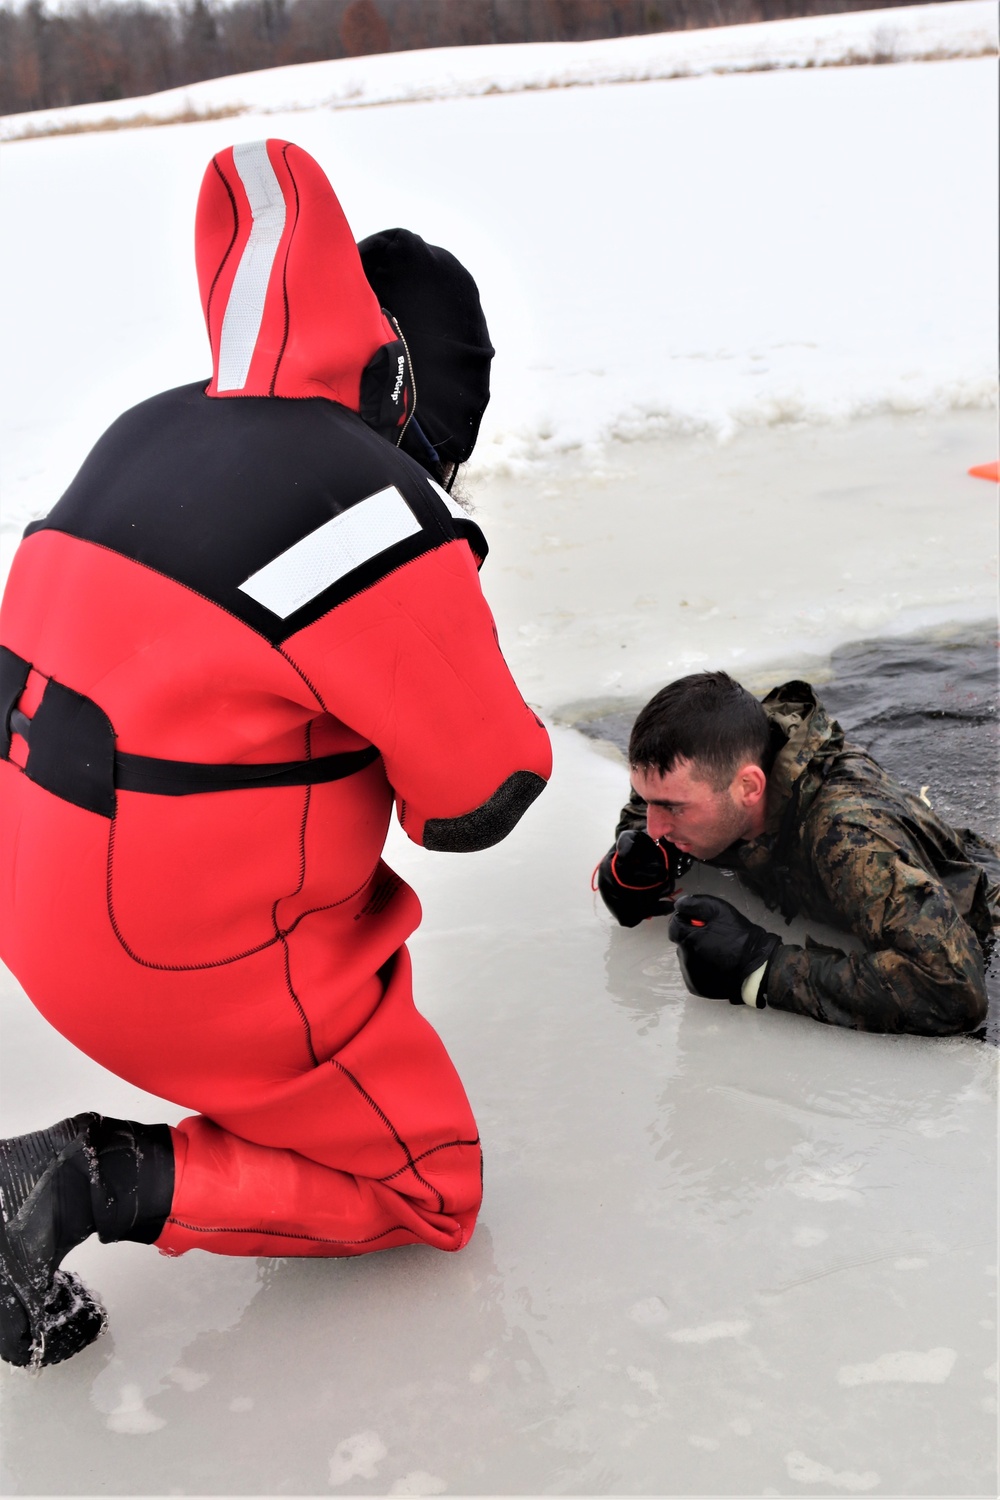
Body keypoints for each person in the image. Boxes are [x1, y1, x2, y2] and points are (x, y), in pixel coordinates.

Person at [0, 139, 552, 1368]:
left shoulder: (152, 423)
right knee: (429, 1188)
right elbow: (477, 798)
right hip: (170, 955)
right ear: (412, 394)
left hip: (31, 895)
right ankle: (86, 1178)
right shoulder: (373, 503)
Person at [597, 670, 998, 1036]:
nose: (655, 826)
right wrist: (643, 860)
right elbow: (649, 804)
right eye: (649, 802)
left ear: (749, 788)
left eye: (671, 808)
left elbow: (954, 991)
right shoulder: (714, 757)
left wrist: (761, 967)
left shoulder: (847, 838)